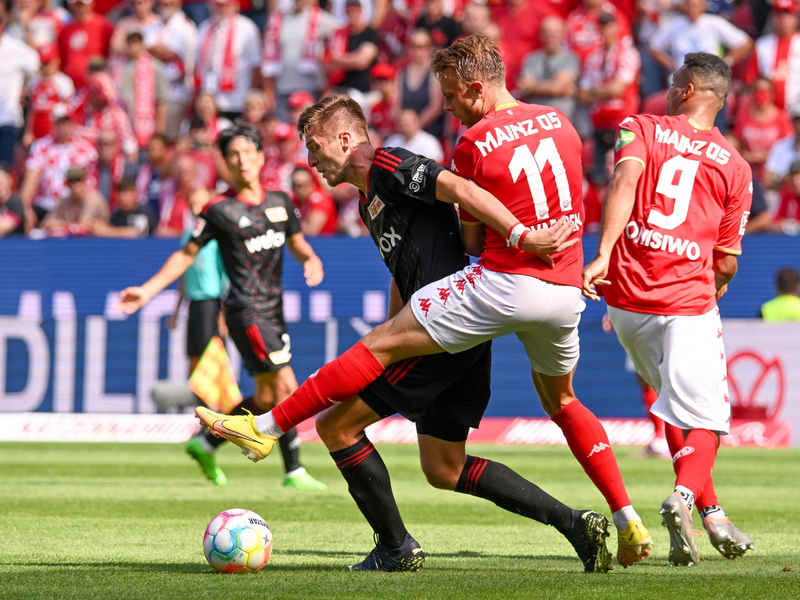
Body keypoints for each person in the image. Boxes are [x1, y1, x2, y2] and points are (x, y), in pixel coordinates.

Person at [197, 36, 653, 569]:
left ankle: (369, 523)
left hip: (456, 321)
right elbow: (408, 267)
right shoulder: (371, 198)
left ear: (345, 138)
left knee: (336, 426)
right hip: (464, 320)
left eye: (315, 147)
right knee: (443, 467)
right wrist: (399, 321)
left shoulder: (386, 159)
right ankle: (578, 525)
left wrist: (520, 236)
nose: (310, 160)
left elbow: (459, 190)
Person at [582, 52, 755, 566]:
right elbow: (726, 260)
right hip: (684, 300)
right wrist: (717, 286)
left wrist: (604, 253)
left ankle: (715, 515)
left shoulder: (640, 126)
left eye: (673, 81)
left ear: (684, 90)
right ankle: (684, 499)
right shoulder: (737, 167)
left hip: (627, 300)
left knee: (676, 403)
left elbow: (623, 182)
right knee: (708, 417)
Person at [116, 121, 327, 490]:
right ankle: (293, 469)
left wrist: (312, 259)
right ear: (226, 164)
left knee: (264, 396)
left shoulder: (281, 203)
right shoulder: (219, 209)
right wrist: (148, 291)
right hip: (246, 310)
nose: (242, 161)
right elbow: (186, 255)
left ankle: (207, 441)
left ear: (261, 157)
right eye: (233, 155)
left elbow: (298, 244)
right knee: (286, 388)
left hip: (273, 309)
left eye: (248, 153)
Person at [577, 12, 640, 183]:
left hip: (623, 122)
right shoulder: (593, 56)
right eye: (602, 26)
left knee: (620, 176)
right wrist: (605, 91)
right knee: (598, 178)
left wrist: (596, 93)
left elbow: (618, 88)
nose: (605, 30)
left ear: (617, 27)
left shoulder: (628, 53)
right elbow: (582, 94)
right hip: (599, 123)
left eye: (609, 25)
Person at [648, 0, 752, 76]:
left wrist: (726, 61)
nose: (692, 9)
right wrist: (671, 64)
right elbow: (653, 46)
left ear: (703, 6)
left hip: (710, 76)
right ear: (684, 7)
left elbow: (746, 43)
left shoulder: (714, 23)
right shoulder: (675, 26)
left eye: (695, 5)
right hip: (684, 77)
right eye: (688, 5)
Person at [517, 16, 580, 122]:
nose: (550, 37)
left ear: (562, 34)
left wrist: (532, 88)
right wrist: (559, 90)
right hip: (535, 120)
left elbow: (557, 87)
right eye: (547, 32)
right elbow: (524, 87)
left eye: (555, 33)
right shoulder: (531, 58)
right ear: (541, 35)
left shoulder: (570, 58)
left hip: (562, 120)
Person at [0, 0, 40, 164]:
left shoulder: (14, 47)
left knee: (5, 172)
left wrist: (25, 88)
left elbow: (38, 62)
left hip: (8, 120)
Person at [744, 0, 800, 114]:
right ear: (773, 18)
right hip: (769, 112)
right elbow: (750, 79)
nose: (783, 19)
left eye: (788, 15)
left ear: (796, 18)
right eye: (779, 15)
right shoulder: (762, 45)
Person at [57, 0, 114, 91]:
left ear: (91, 4)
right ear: (70, 6)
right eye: (76, 5)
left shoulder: (103, 25)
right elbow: (62, 60)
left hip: (95, 89)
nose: (80, 9)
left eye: (82, 5)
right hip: (71, 89)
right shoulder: (65, 30)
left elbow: (111, 55)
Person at [40, 166, 109, 235]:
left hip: (100, 242)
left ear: (84, 181)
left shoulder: (93, 198)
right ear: (68, 184)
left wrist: (60, 225)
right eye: (72, 181)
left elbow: (83, 225)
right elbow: (46, 223)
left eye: (78, 180)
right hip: (74, 242)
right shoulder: (64, 201)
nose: (75, 185)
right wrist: (64, 224)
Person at [91, 177, 157, 237]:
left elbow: (136, 233)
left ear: (135, 194)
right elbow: (109, 227)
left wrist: (106, 231)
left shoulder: (143, 211)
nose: (123, 198)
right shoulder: (117, 214)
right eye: (120, 194)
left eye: (126, 194)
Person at [772, 159, 800, 233]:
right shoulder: (787, 193)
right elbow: (774, 222)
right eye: (794, 176)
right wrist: (784, 225)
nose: (796, 181)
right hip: (789, 240)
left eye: (798, 177)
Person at [0, 165, 26, 236]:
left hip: (14, 245)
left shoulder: (16, 203)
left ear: (10, 181)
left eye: (1, 183)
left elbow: (2, 228)